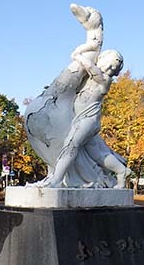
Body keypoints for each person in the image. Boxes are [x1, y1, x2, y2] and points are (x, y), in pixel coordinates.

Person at [42, 49, 130, 188]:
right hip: (79, 119)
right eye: (109, 64)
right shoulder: (88, 78)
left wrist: (79, 57)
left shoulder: (105, 80)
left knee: (70, 145)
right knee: (98, 154)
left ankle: (56, 180)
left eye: (114, 68)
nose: (110, 69)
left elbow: (93, 70)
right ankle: (121, 171)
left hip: (88, 120)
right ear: (101, 59)